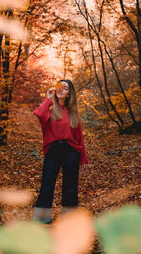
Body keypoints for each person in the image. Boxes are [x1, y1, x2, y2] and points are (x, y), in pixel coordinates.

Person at [32, 79, 88, 224]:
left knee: (70, 186)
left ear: (69, 94)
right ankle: (42, 217)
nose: (62, 89)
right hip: (53, 151)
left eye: (66, 88)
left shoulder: (73, 113)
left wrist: (83, 159)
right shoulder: (50, 109)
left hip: (71, 152)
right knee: (47, 184)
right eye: (60, 87)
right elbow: (38, 113)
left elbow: (79, 138)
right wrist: (48, 98)